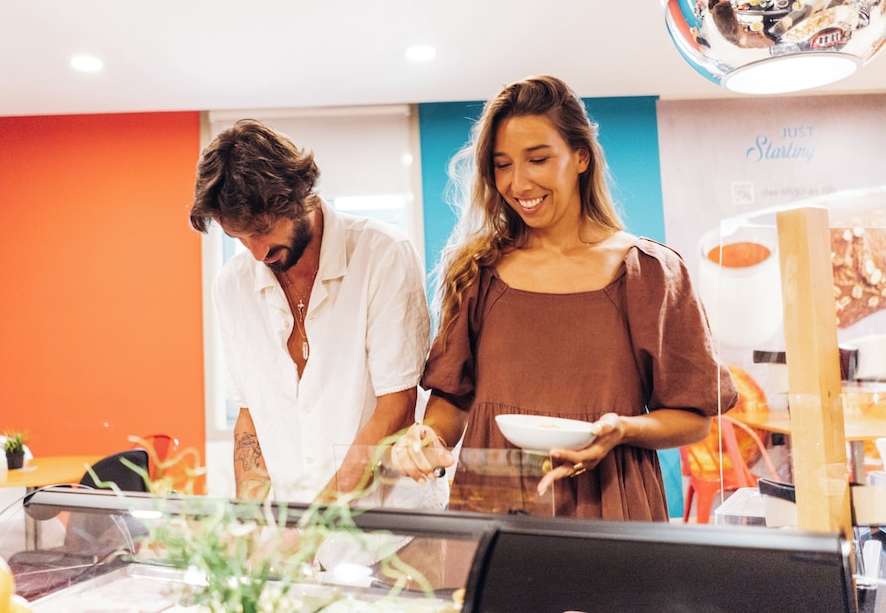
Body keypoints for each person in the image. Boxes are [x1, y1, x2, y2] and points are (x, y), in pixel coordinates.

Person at [391, 76, 738, 521]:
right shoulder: (477, 272)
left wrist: (623, 430)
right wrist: (429, 440)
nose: (518, 183)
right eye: (502, 165)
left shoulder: (651, 272)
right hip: (494, 507)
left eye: (538, 159)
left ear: (581, 157)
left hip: (611, 505)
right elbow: (452, 401)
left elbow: (694, 418)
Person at [189, 119, 432, 505]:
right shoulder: (232, 285)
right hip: (295, 528)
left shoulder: (383, 253)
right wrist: (252, 523)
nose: (257, 253)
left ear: (299, 196)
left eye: (262, 230)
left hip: (389, 521)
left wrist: (313, 522)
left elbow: (396, 408)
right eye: (239, 237)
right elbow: (250, 417)